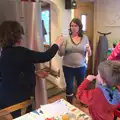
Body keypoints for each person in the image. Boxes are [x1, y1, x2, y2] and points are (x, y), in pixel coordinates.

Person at [0, 21, 63, 118]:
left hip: (5, 99)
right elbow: (46, 56)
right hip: (17, 103)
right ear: (16, 36)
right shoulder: (21, 52)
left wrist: (35, 73)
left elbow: (14, 73)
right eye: (20, 34)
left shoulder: (4, 53)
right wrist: (57, 43)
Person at [58, 18, 91, 104]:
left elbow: (89, 53)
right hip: (67, 67)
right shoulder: (66, 38)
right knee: (69, 86)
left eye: (75, 25)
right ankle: (69, 104)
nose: (73, 27)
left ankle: (82, 101)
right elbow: (61, 54)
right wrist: (61, 46)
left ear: (79, 27)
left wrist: (88, 50)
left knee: (81, 85)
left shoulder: (85, 38)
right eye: (72, 26)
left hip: (80, 67)